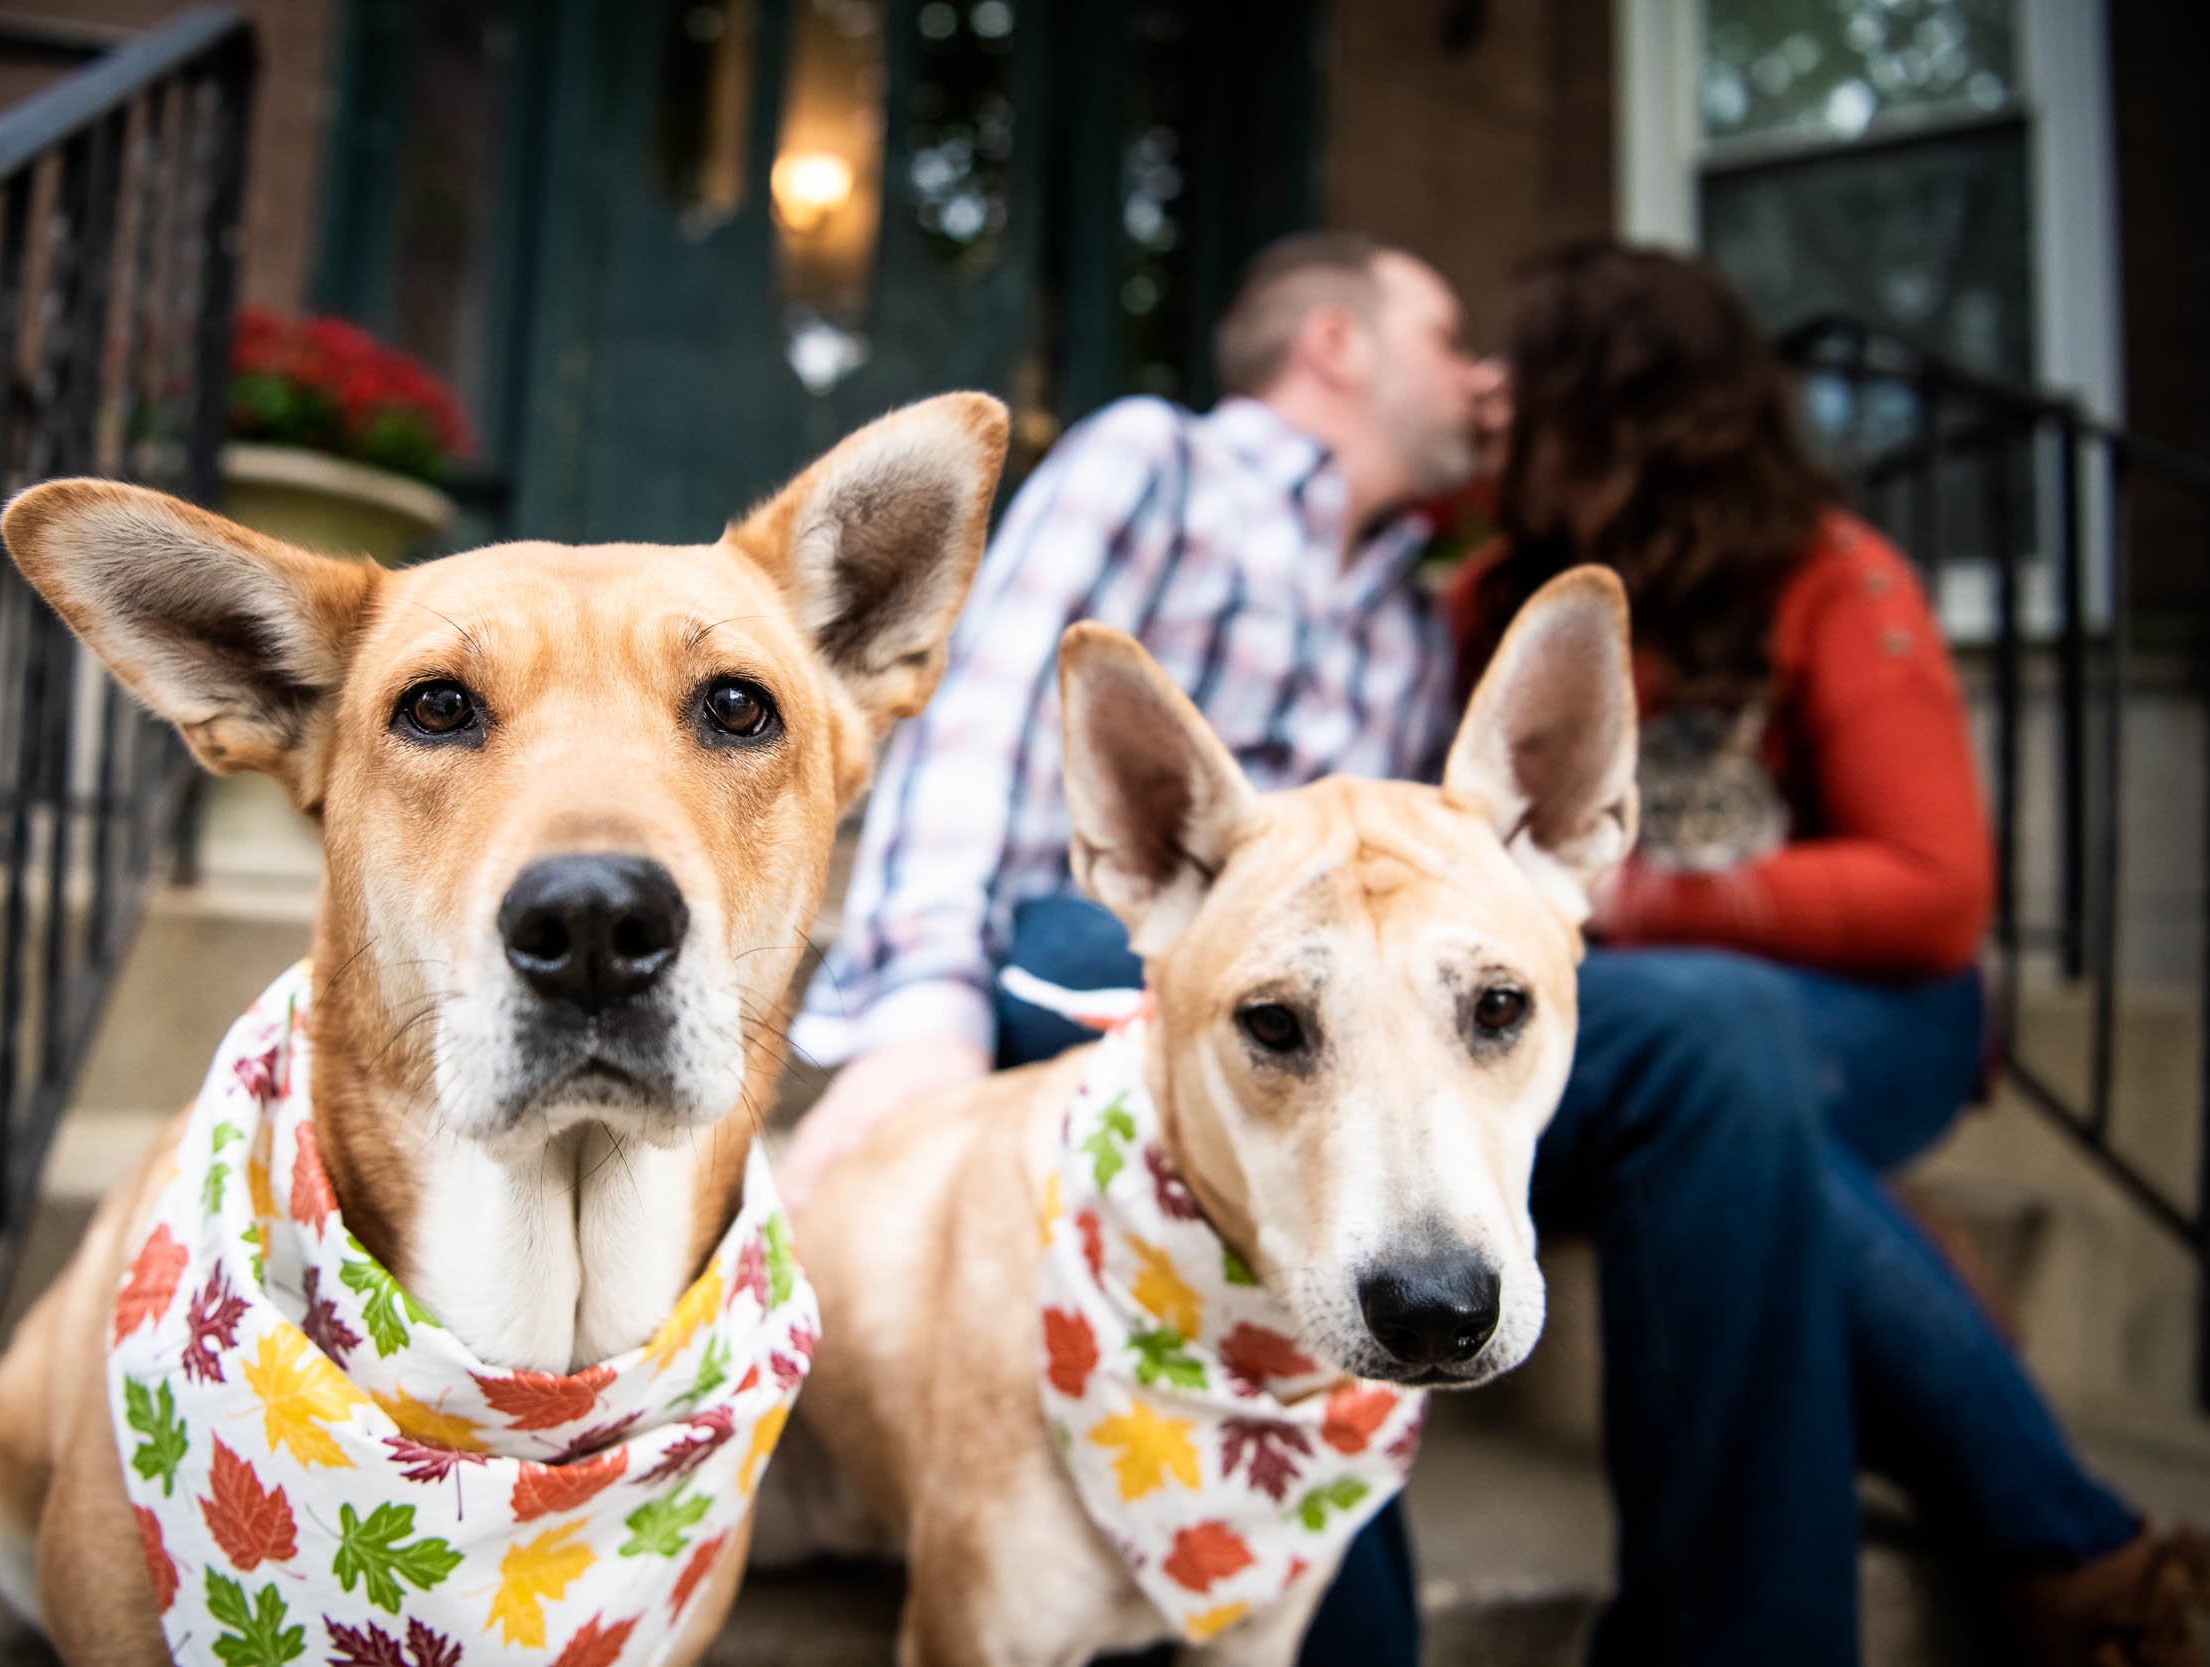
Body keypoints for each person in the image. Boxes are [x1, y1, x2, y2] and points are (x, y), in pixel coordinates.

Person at [783, 230, 1864, 1665]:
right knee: (1200, 1009)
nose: (1488, 379)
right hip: (1116, 939)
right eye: (1450, 340)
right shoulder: (1153, 463)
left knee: (1727, 1036)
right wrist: (917, 1018)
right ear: (1338, 343)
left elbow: (1432, 907)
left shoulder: (1423, 622)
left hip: (1374, 983)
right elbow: (971, 723)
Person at [1450, 237, 2208, 1666]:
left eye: (1522, 379)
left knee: (1720, 1059)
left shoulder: (1830, 578)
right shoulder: (1495, 597)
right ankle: (2084, 1557)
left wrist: (1634, 904)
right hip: (1670, 1018)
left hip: (1878, 1013)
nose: (1493, 402)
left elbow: (1933, 892)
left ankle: (2075, 1560)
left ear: (1613, 405)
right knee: (1713, 1090)